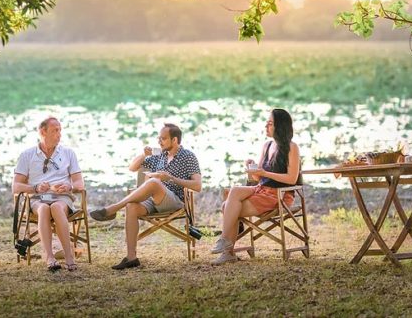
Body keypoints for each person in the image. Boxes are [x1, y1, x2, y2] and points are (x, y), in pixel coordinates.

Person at [89, 123, 202, 270]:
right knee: (132, 206)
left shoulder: (188, 156)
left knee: (154, 182)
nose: (159, 141)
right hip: (153, 200)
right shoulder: (159, 155)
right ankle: (131, 257)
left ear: (175, 140)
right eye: (158, 138)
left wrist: (171, 178)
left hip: (175, 200)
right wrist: (144, 154)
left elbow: (198, 186)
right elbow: (132, 167)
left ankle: (114, 208)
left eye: (163, 138)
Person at [211, 108, 301, 265]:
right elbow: (257, 177)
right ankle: (226, 245)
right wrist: (252, 168)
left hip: (279, 195)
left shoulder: (292, 147)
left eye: (270, 123)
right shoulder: (267, 145)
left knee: (228, 207)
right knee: (234, 191)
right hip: (261, 190)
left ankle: (227, 249)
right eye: (266, 123)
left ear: (280, 126)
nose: (266, 126)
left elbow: (292, 178)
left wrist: (264, 173)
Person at [12, 117, 85, 272]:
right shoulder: (27, 154)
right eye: (55, 131)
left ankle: (68, 256)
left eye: (60, 130)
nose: (59, 135)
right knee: (44, 209)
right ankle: (50, 257)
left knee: (56, 208)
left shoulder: (68, 153)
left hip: (62, 197)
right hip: (38, 198)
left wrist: (69, 186)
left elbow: (80, 183)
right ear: (42, 132)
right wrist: (35, 187)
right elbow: (16, 186)